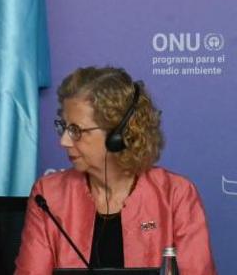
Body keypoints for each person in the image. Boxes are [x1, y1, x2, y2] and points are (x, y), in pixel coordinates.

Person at [15, 67, 216, 274]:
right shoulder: (48, 194)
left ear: (119, 135)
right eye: (63, 127)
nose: (64, 141)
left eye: (76, 130)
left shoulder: (175, 194)